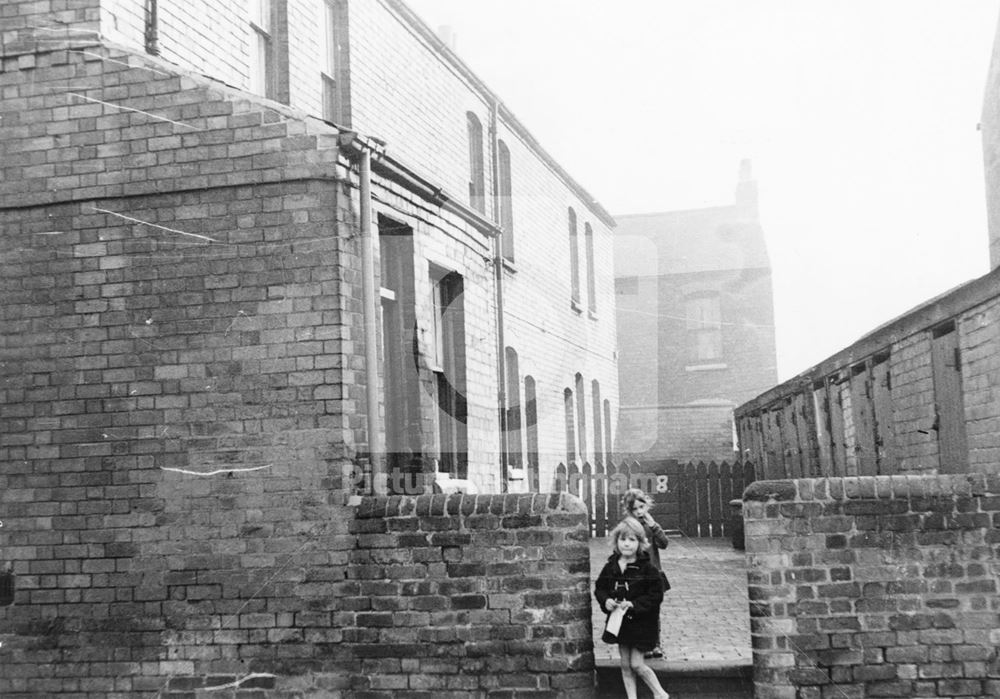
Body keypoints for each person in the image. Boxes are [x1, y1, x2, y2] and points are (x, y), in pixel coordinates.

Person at [594, 517, 670, 699]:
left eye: (632, 540)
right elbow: (600, 588)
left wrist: (634, 604)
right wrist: (606, 601)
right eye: (623, 539)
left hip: (641, 624)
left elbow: (655, 596)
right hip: (620, 623)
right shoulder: (611, 566)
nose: (626, 544)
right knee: (626, 665)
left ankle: (661, 694)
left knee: (637, 664)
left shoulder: (647, 569)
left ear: (641, 543)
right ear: (616, 541)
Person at [622, 488, 670, 658]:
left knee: (653, 611)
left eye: (641, 507)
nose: (639, 512)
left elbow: (664, 543)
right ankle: (643, 645)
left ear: (647, 506)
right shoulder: (628, 527)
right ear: (629, 511)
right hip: (636, 577)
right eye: (635, 509)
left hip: (654, 575)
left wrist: (654, 527)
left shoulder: (652, 525)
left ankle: (656, 644)